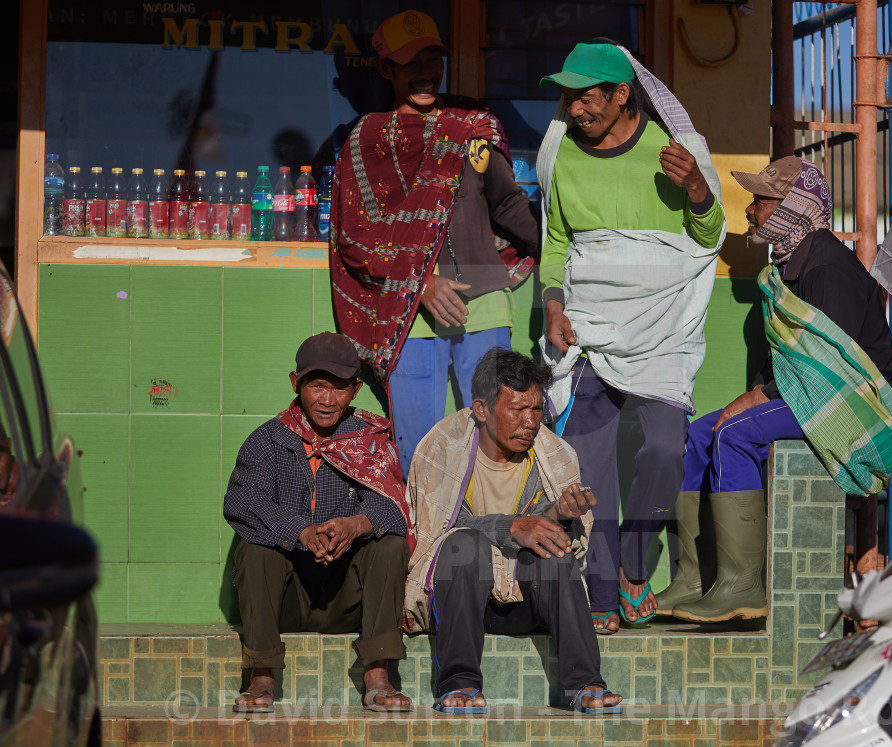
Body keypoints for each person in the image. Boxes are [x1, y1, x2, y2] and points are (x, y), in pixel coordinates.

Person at [665, 156, 892, 623]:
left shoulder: (826, 268)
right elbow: (791, 359)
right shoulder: (790, 263)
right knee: (697, 436)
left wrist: (755, 397)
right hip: (810, 393)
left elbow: (824, 369)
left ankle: (742, 587)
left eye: (761, 201)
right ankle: (697, 578)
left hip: (850, 404)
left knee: (732, 434)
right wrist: (758, 392)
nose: (750, 212)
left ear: (794, 207)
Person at [536, 40, 727, 633]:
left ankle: (636, 571)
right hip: (589, 327)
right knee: (588, 466)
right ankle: (598, 593)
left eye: (585, 96)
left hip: (660, 332)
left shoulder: (672, 151)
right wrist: (551, 304)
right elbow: (558, 243)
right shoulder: (561, 152)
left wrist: (696, 188)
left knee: (667, 449)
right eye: (566, 96)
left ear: (622, 95)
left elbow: (708, 234)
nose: (572, 108)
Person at [330, 10, 539, 475]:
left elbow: (506, 205)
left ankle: (492, 542)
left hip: (484, 303)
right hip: (410, 315)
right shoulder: (365, 141)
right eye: (411, 62)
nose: (425, 72)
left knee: (497, 441)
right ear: (386, 69)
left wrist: (567, 245)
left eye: (433, 59)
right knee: (420, 449)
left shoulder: (471, 127)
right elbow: (355, 238)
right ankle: (426, 544)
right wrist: (420, 285)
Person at [402, 348, 623, 714]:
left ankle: (585, 683)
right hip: (459, 601)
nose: (530, 421)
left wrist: (556, 514)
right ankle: (459, 683)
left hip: (527, 602)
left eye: (536, 409)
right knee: (463, 546)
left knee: (555, 552)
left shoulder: (556, 455)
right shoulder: (442, 447)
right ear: (482, 409)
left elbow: (564, 542)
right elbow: (433, 534)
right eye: (517, 409)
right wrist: (509, 526)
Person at [223, 332, 414, 714]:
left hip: (350, 599)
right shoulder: (267, 441)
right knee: (255, 549)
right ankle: (261, 674)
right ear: (296, 384)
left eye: (340, 388)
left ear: (356, 389)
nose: (328, 399)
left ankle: (378, 673)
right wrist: (300, 531)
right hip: (287, 600)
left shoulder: (371, 441)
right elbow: (242, 501)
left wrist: (356, 524)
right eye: (318, 386)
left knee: (388, 543)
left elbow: (396, 507)